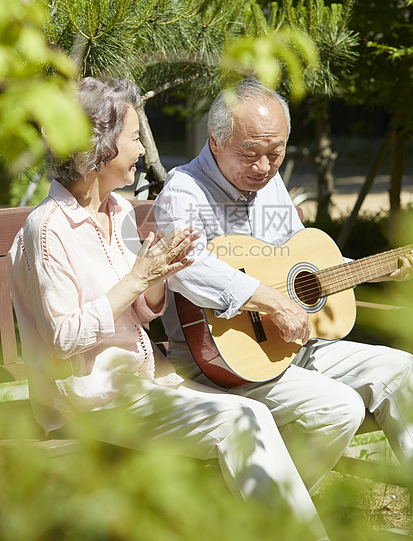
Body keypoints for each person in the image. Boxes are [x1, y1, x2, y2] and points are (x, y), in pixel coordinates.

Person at [8, 77, 330, 541]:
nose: (141, 148)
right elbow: (64, 339)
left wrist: (158, 275)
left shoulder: (117, 211)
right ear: (96, 149)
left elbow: (141, 313)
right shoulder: (47, 230)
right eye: (133, 137)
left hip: (140, 382)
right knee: (245, 419)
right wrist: (139, 276)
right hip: (87, 398)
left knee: (273, 412)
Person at [153, 77, 413, 499]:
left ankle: (260, 508)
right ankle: (266, 514)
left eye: (275, 153)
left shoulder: (270, 184)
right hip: (220, 364)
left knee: (401, 370)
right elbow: (186, 266)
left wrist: (370, 270)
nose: (263, 167)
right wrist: (269, 299)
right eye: (250, 153)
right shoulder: (183, 192)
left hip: (289, 345)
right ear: (215, 142)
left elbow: (301, 264)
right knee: (340, 408)